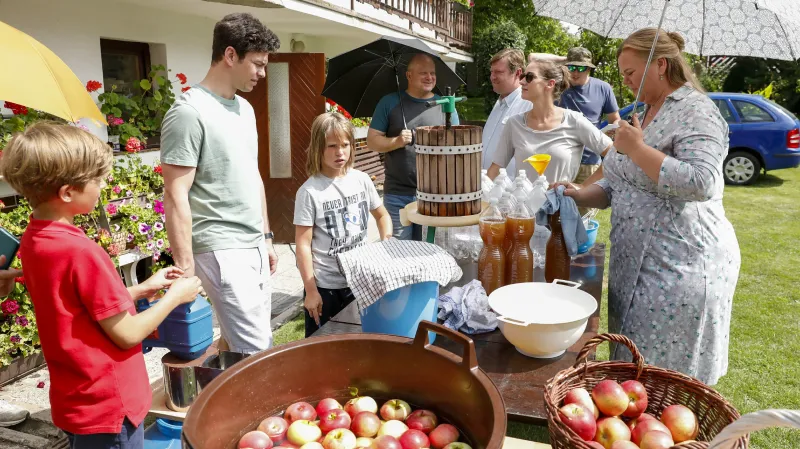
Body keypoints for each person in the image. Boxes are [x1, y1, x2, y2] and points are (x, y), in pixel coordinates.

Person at [0, 123, 202, 447]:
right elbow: (127, 334)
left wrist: (141, 288)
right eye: (96, 180)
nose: (102, 185)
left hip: (75, 399)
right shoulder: (81, 251)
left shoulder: (34, 238)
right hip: (109, 406)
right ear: (67, 192)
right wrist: (175, 297)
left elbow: (77, 308)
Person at [557, 28, 741, 385]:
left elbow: (701, 182)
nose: (625, 81)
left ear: (660, 65)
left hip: (680, 267)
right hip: (638, 265)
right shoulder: (646, 111)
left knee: (665, 383)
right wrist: (580, 193)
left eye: (630, 72)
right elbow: (618, 184)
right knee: (633, 375)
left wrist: (638, 148)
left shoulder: (697, 111)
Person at [161, 13, 281, 354]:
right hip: (220, 248)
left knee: (234, 346)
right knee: (257, 353)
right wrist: (185, 271)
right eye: (257, 64)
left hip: (253, 243)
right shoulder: (189, 112)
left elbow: (252, 175)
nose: (262, 73)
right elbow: (175, 194)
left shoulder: (245, 108)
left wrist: (267, 237)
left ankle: (220, 406)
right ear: (230, 56)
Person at [294, 112, 392, 337]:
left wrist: (386, 240)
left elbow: (382, 215)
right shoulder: (309, 192)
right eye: (331, 146)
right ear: (318, 147)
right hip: (326, 287)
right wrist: (311, 291)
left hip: (360, 281)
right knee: (322, 349)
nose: (340, 152)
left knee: (358, 341)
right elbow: (302, 245)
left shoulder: (362, 180)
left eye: (345, 144)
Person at [367, 53, 460, 241]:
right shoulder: (390, 102)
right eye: (423, 73)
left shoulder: (445, 105)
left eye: (432, 73)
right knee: (399, 254)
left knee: (429, 252)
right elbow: (372, 140)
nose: (429, 77)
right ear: (408, 76)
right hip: (398, 195)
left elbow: (457, 147)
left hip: (435, 196)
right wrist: (397, 142)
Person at [487, 58, 612, 184]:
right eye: (523, 76)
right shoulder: (514, 123)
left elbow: (614, 155)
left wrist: (584, 187)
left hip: (560, 203)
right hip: (522, 202)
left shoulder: (574, 121)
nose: (522, 81)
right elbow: (495, 169)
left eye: (530, 77)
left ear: (550, 84)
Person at [558, 47, 620, 186]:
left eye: (580, 68)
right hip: (560, 158)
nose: (574, 72)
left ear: (588, 69)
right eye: (571, 67)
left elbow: (615, 119)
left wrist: (614, 129)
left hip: (589, 161)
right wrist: (563, 59)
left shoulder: (603, 88)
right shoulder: (557, 86)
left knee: (584, 206)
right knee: (556, 206)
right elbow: (533, 59)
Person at [482, 49, 533, 176]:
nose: (492, 77)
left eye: (498, 72)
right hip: (489, 184)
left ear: (518, 73)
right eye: (491, 72)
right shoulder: (500, 101)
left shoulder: (528, 104)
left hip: (510, 188)